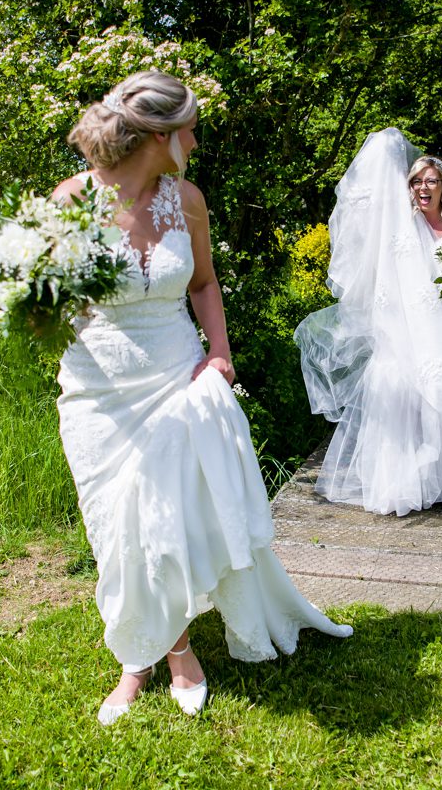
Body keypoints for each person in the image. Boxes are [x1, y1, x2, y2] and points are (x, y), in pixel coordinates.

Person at [52, 71, 352, 726]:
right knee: (116, 531)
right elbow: (50, 299)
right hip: (98, 392)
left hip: (174, 379)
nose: (195, 137)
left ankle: (174, 653)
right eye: (189, 126)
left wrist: (220, 354)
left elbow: (205, 285)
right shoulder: (71, 199)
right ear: (159, 134)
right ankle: (142, 656)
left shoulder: (185, 199)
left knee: (167, 524)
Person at [294, 128, 442, 517]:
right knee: (404, 394)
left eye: (431, 181)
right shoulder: (402, 226)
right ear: (409, 188)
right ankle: (408, 482)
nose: (423, 188)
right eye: (416, 181)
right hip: (409, 326)